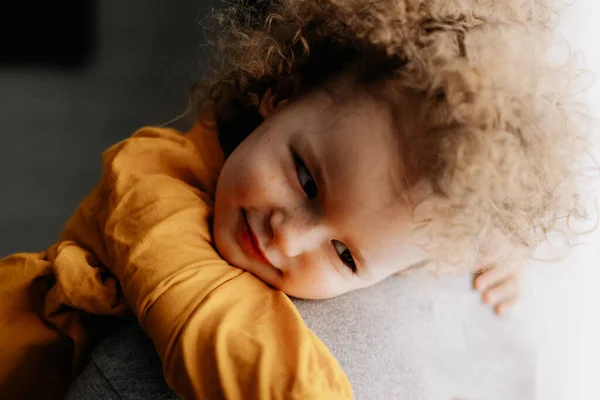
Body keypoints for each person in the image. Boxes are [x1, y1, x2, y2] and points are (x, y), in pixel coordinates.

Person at [0, 0, 587, 398]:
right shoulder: (151, 180)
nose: (289, 237)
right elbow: (217, 326)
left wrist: (490, 249)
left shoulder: (380, 222)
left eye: (346, 256)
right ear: (282, 94)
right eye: (306, 181)